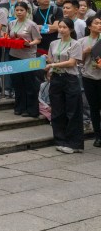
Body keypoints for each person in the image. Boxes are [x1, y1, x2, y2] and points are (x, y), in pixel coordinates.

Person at [45, 17, 85, 154]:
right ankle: (60, 141)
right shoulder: (53, 43)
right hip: (56, 78)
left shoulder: (75, 44)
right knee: (57, 110)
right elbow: (50, 59)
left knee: (73, 111)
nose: (61, 30)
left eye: (64, 27)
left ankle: (74, 143)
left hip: (70, 78)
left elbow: (72, 62)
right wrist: (47, 62)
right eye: (60, 27)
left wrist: (53, 64)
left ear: (71, 29)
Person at [8, 1, 43, 118]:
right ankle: (19, 107)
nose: (19, 12)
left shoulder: (31, 24)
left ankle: (32, 110)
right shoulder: (11, 23)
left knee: (30, 84)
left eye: (21, 10)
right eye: (17, 10)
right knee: (17, 83)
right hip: (14, 55)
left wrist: (30, 43)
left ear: (26, 11)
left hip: (28, 57)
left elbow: (38, 39)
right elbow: (9, 37)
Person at [79, 15, 101, 148]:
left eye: (100, 23)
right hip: (88, 77)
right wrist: (85, 52)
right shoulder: (82, 41)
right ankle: (98, 136)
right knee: (94, 107)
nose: (99, 25)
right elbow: (79, 61)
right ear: (89, 26)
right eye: (96, 23)